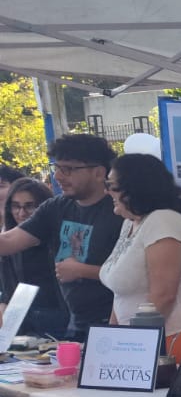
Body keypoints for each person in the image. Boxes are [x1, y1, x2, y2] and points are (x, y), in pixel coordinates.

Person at [98, 154, 181, 360]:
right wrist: (112, 336)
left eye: (111, 185)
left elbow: (164, 295)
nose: (106, 191)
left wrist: (131, 345)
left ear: (134, 188)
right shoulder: (132, 223)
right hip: (151, 339)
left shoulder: (163, 221)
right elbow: (121, 293)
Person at [0, 134, 122, 339]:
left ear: (99, 172)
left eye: (68, 169)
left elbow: (135, 275)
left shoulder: (120, 210)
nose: (58, 176)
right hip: (75, 322)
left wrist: (82, 271)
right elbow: (9, 242)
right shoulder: (56, 207)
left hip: (115, 321)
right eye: (56, 168)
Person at [0, 177, 68, 338]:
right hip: (21, 320)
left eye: (29, 206)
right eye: (16, 206)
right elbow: (7, 284)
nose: (21, 213)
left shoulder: (56, 239)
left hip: (58, 316)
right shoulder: (8, 240)